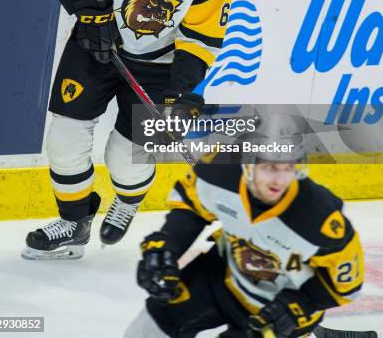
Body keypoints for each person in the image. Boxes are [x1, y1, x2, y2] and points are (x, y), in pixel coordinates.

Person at [21, 0, 235, 260]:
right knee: (65, 139)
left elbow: (202, 38)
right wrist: (88, 10)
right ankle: (73, 221)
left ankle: (128, 199)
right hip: (95, 45)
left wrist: (179, 94)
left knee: (125, 159)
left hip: (160, 67)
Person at [126, 111, 364, 338]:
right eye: (270, 166)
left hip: (277, 307)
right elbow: (192, 207)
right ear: (248, 164)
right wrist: (168, 244)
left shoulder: (319, 216)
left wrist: (300, 304)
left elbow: (344, 286)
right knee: (146, 329)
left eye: (288, 167)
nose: (280, 179)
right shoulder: (220, 170)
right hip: (221, 274)